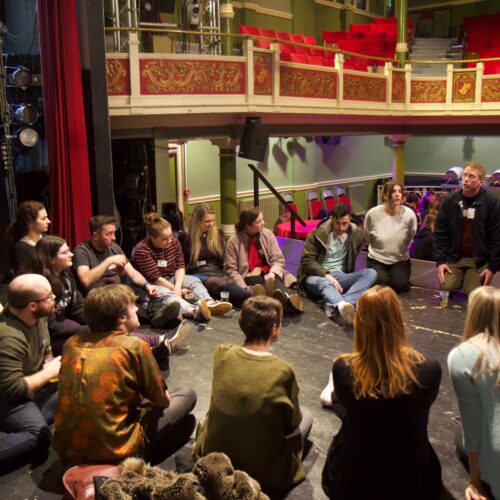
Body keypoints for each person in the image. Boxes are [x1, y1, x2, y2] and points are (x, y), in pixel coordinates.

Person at [53, 284, 197, 467]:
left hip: (67, 452)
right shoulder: (134, 346)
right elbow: (162, 401)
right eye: (132, 306)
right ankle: (134, 460)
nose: (137, 308)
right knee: (187, 397)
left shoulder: (72, 343)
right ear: (122, 317)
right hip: (115, 452)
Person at [322, 286, 442, 500]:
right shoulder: (429, 371)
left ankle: (331, 396)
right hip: (413, 483)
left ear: (359, 323)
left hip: (353, 483)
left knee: (352, 407)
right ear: (398, 320)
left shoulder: (343, 368)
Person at [193, 296, 313, 493]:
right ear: (274, 328)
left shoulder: (221, 353)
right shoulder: (283, 371)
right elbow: (291, 424)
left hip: (215, 460)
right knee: (307, 416)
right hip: (264, 473)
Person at [27, 235, 186, 360]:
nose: (70, 254)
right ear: (51, 259)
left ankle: (154, 343)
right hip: (54, 338)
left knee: (108, 325)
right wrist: (87, 329)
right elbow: (51, 326)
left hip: (70, 325)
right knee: (103, 334)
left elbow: (77, 307)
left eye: (69, 250)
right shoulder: (41, 286)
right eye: (64, 252)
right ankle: (150, 347)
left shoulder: (66, 276)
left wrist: (98, 321)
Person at [73, 215, 183, 328]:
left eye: (114, 233)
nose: (114, 237)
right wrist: (108, 261)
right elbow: (85, 279)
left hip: (119, 292)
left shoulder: (114, 248)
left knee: (145, 294)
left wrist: (147, 286)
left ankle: (162, 315)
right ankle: (159, 317)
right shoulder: (82, 251)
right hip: (100, 297)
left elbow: (133, 273)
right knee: (131, 307)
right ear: (95, 236)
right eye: (109, 234)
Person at [0, 274, 61, 472]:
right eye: (49, 296)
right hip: (8, 397)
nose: (54, 298)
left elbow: (46, 350)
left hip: (31, 385)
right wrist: (48, 372)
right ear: (32, 305)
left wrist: (50, 364)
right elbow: (11, 390)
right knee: (39, 435)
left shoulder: (38, 317)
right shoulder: (9, 337)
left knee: (83, 385)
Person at [448, 286, 500, 500]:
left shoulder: (463, 356)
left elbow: (473, 429)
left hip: (495, 457)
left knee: (460, 431)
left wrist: (475, 482)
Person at [132, 213, 232, 322]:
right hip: (152, 284)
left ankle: (209, 303)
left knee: (194, 281)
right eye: (164, 239)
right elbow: (155, 278)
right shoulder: (142, 250)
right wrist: (175, 289)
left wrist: (178, 287)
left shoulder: (174, 242)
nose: (170, 241)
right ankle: (194, 311)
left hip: (171, 277)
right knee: (167, 295)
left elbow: (180, 266)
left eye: (170, 236)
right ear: (152, 238)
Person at [297, 203, 377, 325]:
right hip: (315, 277)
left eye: (345, 223)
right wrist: (326, 274)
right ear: (332, 219)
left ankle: (341, 304)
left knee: (370, 273)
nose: (340, 227)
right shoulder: (318, 233)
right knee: (325, 283)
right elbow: (307, 260)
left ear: (350, 219)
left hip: (339, 276)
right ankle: (341, 304)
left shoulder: (356, 234)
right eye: (337, 223)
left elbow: (360, 247)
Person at [434, 162, 500, 296]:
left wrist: (492, 267)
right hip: (454, 257)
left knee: (475, 294)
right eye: (464, 175)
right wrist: (440, 261)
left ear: (481, 181)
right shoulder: (450, 201)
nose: (466, 179)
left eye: (471, 176)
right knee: (446, 289)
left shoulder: (492, 202)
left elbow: (497, 237)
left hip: (479, 260)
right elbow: (440, 233)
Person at [225, 208, 304, 313]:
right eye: (258, 222)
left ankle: (285, 299)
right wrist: (243, 289)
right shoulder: (234, 241)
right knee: (258, 285)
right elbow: (231, 270)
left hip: (268, 272)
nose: (263, 223)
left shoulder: (267, 234)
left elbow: (278, 259)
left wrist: (272, 273)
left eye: (262, 219)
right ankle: (283, 303)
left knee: (276, 284)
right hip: (249, 275)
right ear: (248, 226)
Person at [185, 204, 252, 307]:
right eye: (207, 221)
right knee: (222, 284)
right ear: (197, 221)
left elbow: (221, 261)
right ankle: (251, 294)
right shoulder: (186, 237)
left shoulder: (218, 234)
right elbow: (184, 264)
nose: (211, 224)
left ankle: (250, 296)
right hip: (197, 273)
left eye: (213, 220)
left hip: (217, 272)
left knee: (232, 290)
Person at [364, 182, 418, 292]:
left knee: (399, 285)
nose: (397, 194)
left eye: (399, 191)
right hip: (377, 258)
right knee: (380, 284)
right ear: (384, 195)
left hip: (399, 259)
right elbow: (368, 235)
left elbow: (411, 235)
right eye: (393, 191)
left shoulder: (409, 214)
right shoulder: (372, 214)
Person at [5, 201, 51, 276]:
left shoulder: (46, 238)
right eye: (43, 219)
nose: (49, 221)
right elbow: (26, 277)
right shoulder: (21, 249)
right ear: (30, 223)